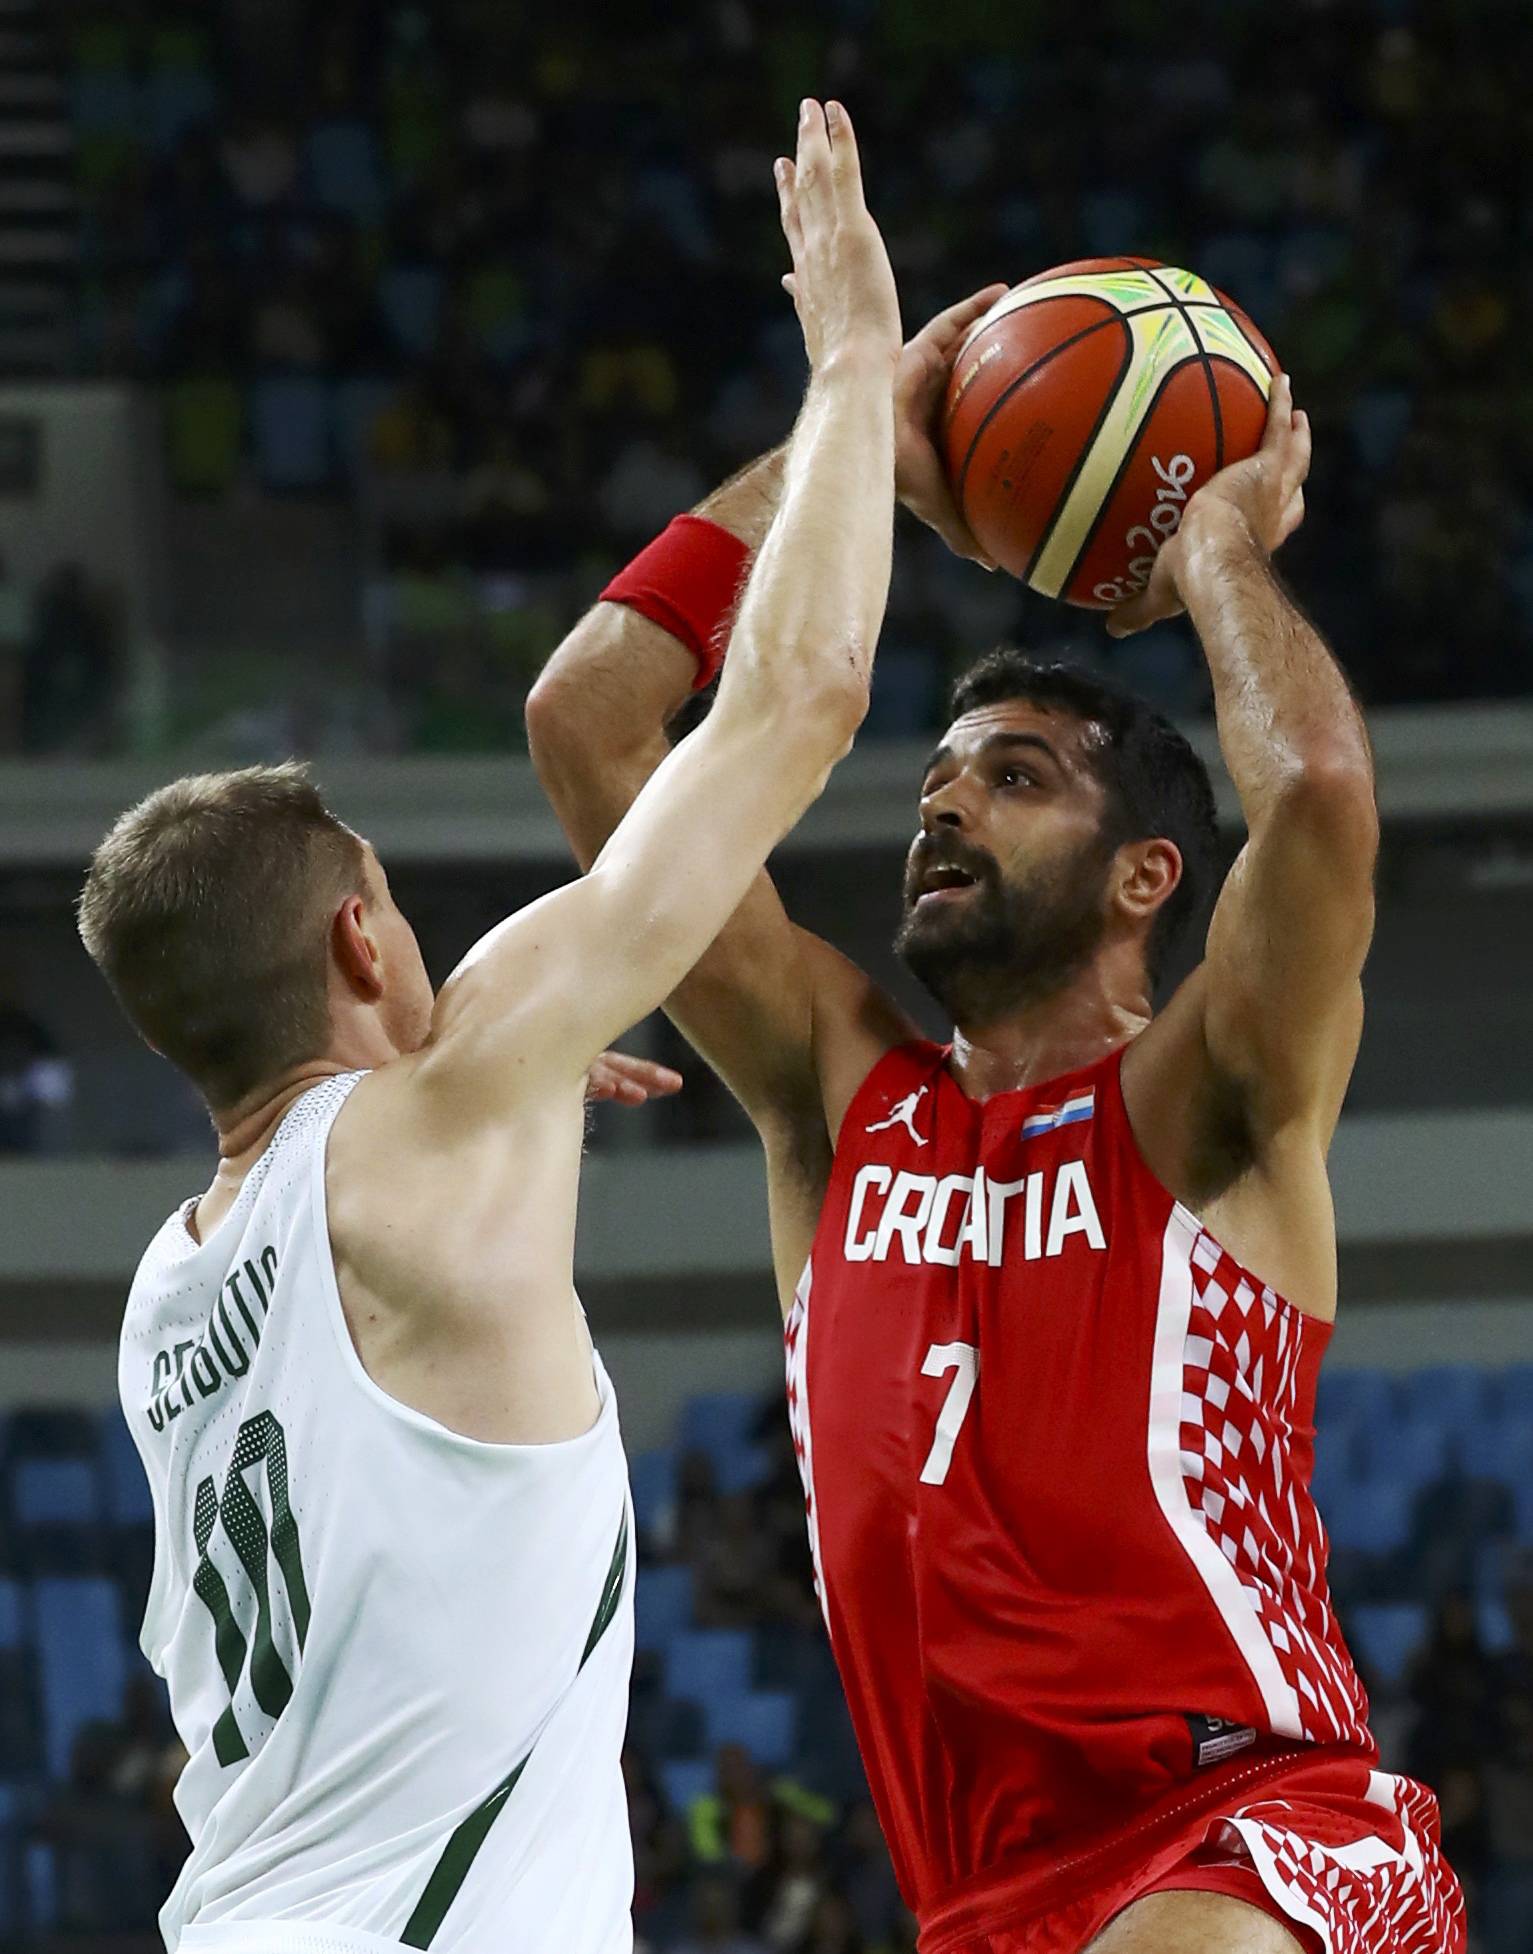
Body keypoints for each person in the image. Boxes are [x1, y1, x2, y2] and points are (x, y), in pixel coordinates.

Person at [527, 276, 1468, 1954]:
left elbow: (1317, 796)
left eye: (1014, 776)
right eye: (942, 775)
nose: (947, 797)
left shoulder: (1202, 1095)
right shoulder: (835, 1094)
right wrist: (856, 451)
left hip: (1261, 1835)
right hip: (981, 1906)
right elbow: (590, 722)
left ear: (1143, 877)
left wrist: (1213, 556)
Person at [77, 99, 902, 1954]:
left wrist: (518, 1085)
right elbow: (796, 700)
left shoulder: (163, 1293)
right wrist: (853, 367)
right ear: (366, 939)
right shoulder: (436, 1123)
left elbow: (386, 1316)